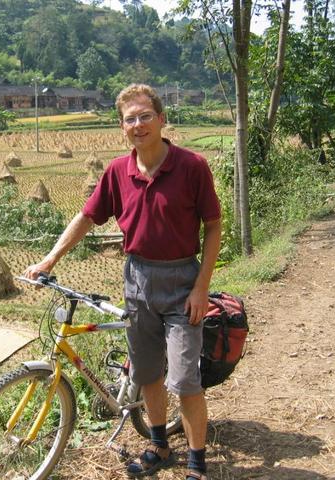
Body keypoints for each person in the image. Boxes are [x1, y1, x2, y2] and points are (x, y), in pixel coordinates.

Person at [23, 84, 221, 480]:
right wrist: (50, 258)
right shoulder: (117, 171)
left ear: (162, 120)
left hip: (183, 280)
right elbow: (86, 217)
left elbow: (214, 226)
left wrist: (201, 286)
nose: (138, 124)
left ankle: (197, 462)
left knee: (183, 379)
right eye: (130, 119)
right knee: (147, 373)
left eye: (145, 116)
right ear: (121, 127)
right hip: (137, 279)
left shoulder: (191, 165)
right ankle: (159, 444)